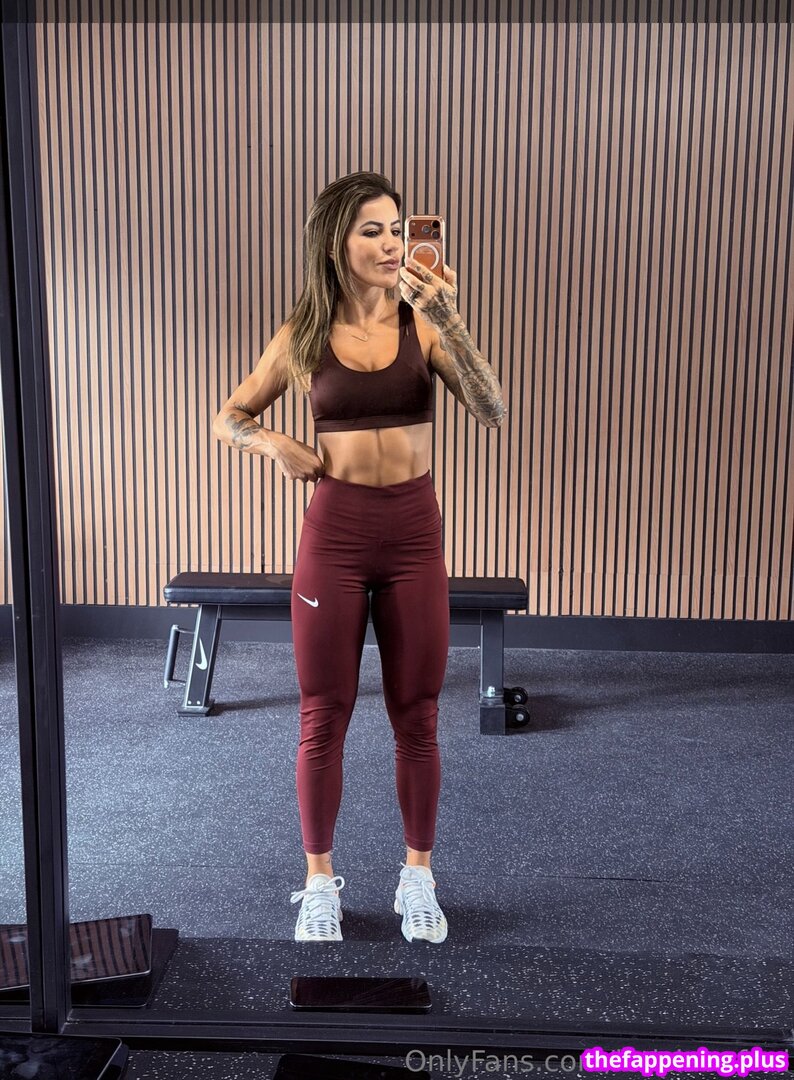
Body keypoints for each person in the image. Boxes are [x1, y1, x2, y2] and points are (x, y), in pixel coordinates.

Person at [213, 171, 505, 944]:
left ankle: (418, 877)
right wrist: (271, 441)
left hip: (413, 536)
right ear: (336, 242)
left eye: (396, 228)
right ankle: (319, 884)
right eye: (372, 230)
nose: (390, 243)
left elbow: (492, 408)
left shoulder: (424, 325)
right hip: (335, 537)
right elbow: (229, 416)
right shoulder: (303, 335)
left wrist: (449, 316)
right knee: (323, 713)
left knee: (418, 714)